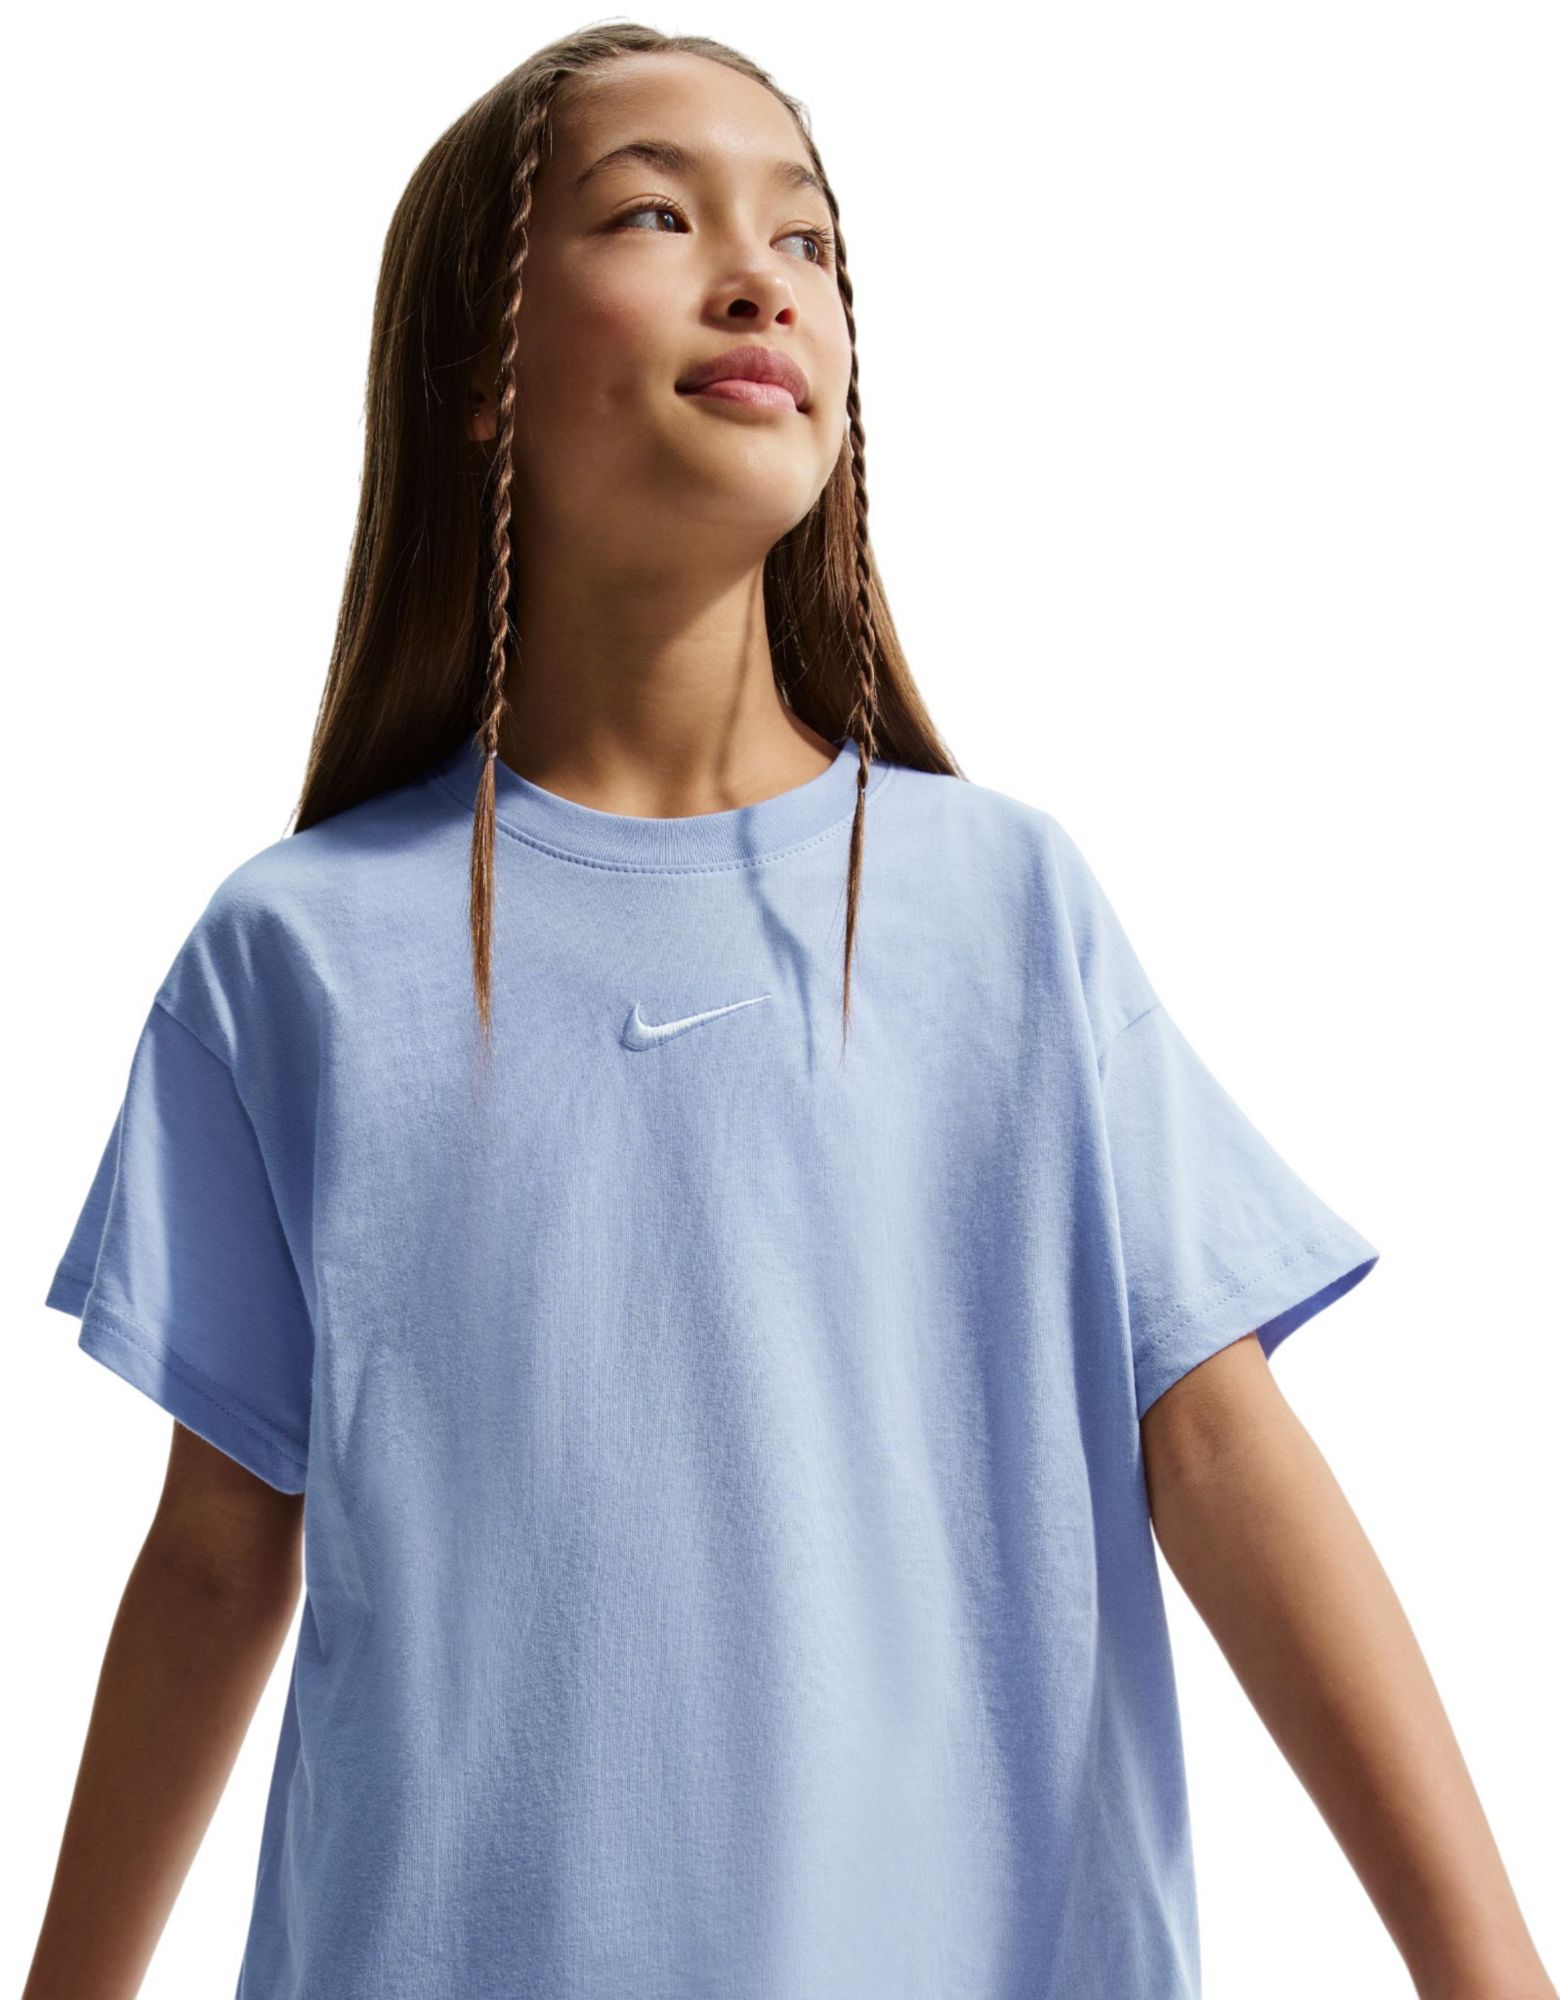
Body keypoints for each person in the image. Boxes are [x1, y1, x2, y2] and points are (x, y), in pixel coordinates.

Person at [26, 25, 1555, 2000]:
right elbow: (219, 1552)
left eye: (811, 241)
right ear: (477, 370)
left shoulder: (1007, 912)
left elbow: (1222, 1453)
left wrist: (1488, 1968)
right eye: (654, 215)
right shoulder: (294, 958)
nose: (763, 276)